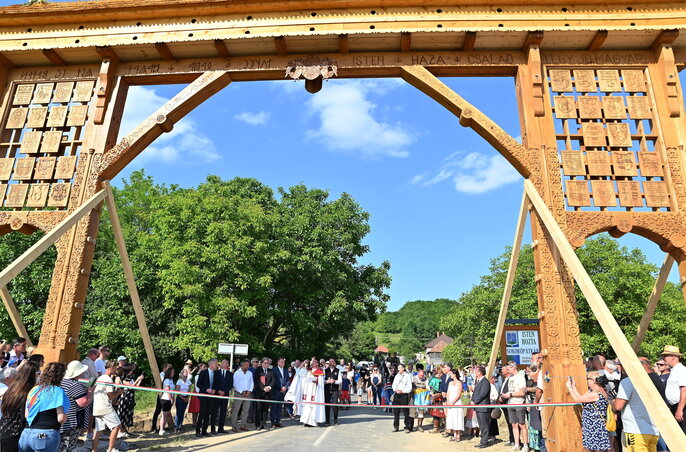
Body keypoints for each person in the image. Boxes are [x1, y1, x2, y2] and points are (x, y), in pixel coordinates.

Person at [20, 362, 70, 452]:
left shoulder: (34, 390)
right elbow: (61, 418)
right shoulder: (58, 391)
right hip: (43, 435)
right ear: (61, 376)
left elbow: (27, 415)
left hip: (27, 434)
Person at [566, 371, 611, 452]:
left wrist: (569, 388)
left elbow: (577, 399)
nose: (587, 381)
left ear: (594, 381)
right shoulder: (594, 392)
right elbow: (581, 398)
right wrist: (573, 387)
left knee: (594, 449)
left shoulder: (595, 394)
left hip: (595, 427)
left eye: (588, 379)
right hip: (591, 426)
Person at [613, 373, 660, 452]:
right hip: (653, 430)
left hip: (635, 430)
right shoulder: (649, 380)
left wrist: (613, 403)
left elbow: (618, 406)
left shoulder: (627, 381)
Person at [0, 362, 38, 452]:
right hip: (15, 434)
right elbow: (24, 417)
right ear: (32, 376)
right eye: (37, 373)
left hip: (4, 430)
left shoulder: (11, 389)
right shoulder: (25, 393)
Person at [92, 361, 125, 452]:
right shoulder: (108, 379)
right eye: (115, 368)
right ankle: (110, 449)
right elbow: (110, 395)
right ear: (111, 368)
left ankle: (94, 450)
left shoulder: (99, 378)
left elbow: (106, 395)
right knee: (117, 426)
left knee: (98, 430)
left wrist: (114, 401)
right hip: (105, 407)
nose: (116, 370)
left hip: (97, 407)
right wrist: (119, 392)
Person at [59, 360, 90, 452]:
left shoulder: (62, 382)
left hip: (61, 417)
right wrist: (90, 392)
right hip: (71, 420)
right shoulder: (74, 385)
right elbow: (83, 403)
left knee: (60, 444)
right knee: (67, 446)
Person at [501, 362, 528, 452]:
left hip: (519, 403)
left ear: (514, 368)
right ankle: (517, 444)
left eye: (509, 369)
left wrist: (511, 394)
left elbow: (522, 392)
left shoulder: (520, 377)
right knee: (514, 425)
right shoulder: (511, 378)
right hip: (511, 403)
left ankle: (525, 445)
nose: (508, 370)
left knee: (522, 424)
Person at [661, 345, 686, 433]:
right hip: (675, 406)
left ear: (673, 357)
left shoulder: (681, 370)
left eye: (666, 356)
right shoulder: (674, 370)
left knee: (682, 435)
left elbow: (684, 391)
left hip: (681, 407)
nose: (664, 358)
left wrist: (679, 409)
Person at [196, 359, 220, 437]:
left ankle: (204, 431)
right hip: (203, 395)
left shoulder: (216, 374)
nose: (217, 365)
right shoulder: (203, 373)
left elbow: (217, 384)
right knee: (202, 413)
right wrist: (206, 389)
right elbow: (198, 384)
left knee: (208, 414)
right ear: (211, 364)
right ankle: (197, 431)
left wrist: (214, 390)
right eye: (216, 364)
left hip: (211, 396)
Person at [116, 364, 141, 437]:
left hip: (130, 398)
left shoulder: (130, 378)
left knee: (128, 414)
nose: (132, 371)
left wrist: (140, 380)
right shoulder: (123, 379)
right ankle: (121, 431)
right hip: (124, 399)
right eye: (131, 370)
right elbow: (130, 386)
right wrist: (138, 379)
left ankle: (124, 430)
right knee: (123, 414)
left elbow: (135, 387)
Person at [471, 365, 491, 449]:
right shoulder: (479, 381)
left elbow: (483, 394)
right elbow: (476, 393)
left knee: (484, 425)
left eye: (476, 371)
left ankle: (485, 442)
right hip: (479, 407)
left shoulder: (485, 382)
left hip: (483, 407)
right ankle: (482, 441)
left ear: (480, 372)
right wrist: (472, 400)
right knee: (481, 425)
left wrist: (475, 401)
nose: (475, 372)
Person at [300, 359, 325, 427]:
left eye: (314, 362)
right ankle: (306, 421)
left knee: (313, 406)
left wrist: (317, 382)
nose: (313, 363)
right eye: (312, 362)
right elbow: (302, 376)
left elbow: (321, 382)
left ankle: (312, 422)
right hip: (308, 390)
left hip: (315, 391)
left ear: (317, 363)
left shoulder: (320, 372)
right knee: (307, 406)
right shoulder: (308, 370)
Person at [231, 359, 253, 432]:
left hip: (248, 393)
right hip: (239, 393)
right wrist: (242, 392)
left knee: (246, 410)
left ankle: (243, 425)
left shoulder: (250, 373)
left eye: (248, 365)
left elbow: (252, 383)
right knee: (236, 410)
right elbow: (235, 384)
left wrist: (250, 391)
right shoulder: (237, 373)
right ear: (242, 365)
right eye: (246, 365)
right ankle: (233, 425)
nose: (248, 366)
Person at [253, 358, 274, 431]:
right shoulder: (258, 371)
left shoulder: (271, 371)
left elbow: (273, 381)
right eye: (265, 363)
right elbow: (257, 381)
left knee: (265, 409)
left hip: (268, 393)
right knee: (258, 409)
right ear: (261, 363)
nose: (266, 364)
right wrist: (263, 388)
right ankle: (258, 424)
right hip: (259, 393)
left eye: (268, 363)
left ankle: (264, 424)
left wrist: (269, 387)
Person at [392, 363, 413, 433]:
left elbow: (409, 387)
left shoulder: (407, 376)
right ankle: (396, 426)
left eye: (399, 368)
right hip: (396, 395)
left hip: (404, 395)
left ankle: (407, 427)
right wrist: (396, 390)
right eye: (398, 368)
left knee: (405, 412)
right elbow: (393, 385)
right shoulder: (397, 376)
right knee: (396, 412)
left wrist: (402, 391)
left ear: (403, 368)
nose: (398, 369)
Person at [445, 367, 464, 442]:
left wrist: (453, 402)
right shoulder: (450, 383)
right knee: (452, 418)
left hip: (457, 403)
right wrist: (448, 401)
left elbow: (459, 393)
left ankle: (458, 435)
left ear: (455, 374)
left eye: (451, 374)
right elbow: (448, 392)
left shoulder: (459, 383)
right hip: (450, 403)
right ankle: (454, 435)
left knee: (457, 418)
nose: (450, 376)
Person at [271, 357, 289, 428]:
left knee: (279, 407)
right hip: (276, 391)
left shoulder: (285, 370)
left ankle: (278, 422)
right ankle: (273, 423)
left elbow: (288, 380)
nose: (282, 363)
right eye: (281, 362)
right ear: (278, 362)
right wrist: (280, 387)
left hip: (283, 392)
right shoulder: (274, 370)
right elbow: (274, 380)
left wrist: (285, 387)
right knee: (274, 407)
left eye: (283, 362)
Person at [216, 360, 233, 434]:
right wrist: (218, 391)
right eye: (223, 363)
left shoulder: (230, 374)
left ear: (228, 365)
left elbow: (231, 385)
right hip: (217, 394)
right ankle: (213, 428)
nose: (224, 364)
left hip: (225, 395)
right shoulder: (216, 373)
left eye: (226, 363)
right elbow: (214, 383)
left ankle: (221, 428)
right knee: (214, 411)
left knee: (223, 412)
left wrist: (224, 392)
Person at [412, 364, 430, 431]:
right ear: (418, 374)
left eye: (423, 375)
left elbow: (428, 388)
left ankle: (420, 425)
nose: (422, 376)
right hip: (414, 398)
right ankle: (410, 426)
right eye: (420, 375)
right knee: (412, 413)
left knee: (421, 413)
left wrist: (424, 390)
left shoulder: (425, 379)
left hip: (422, 399)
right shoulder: (413, 378)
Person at [324, 358, 342, 426]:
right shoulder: (325, 370)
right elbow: (321, 380)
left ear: (334, 363)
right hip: (327, 390)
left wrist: (335, 381)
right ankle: (327, 420)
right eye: (330, 362)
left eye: (332, 362)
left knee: (335, 405)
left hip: (335, 390)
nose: (331, 363)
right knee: (327, 405)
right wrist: (326, 381)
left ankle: (335, 420)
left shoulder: (338, 371)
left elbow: (340, 381)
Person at [188, 362, 206, 427]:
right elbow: (197, 386)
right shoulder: (197, 376)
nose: (205, 368)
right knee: (195, 409)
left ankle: (199, 422)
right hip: (197, 393)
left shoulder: (203, 375)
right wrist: (199, 394)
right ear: (200, 368)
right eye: (204, 367)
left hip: (201, 393)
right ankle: (194, 422)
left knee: (200, 409)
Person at [174, 368, 192, 433]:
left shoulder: (189, 381)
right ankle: (176, 426)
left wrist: (187, 398)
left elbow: (189, 391)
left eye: (186, 372)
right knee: (178, 412)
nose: (186, 373)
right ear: (181, 373)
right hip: (180, 398)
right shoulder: (179, 381)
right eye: (184, 372)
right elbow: (177, 391)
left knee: (182, 412)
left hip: (186, 397)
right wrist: (182, 398)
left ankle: (180, 426)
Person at [159, 367, 175, 435]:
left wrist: (173, 398)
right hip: (166, 399)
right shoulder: (167, 380)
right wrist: (171, 398)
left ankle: (162, 429)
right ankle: (161, 429)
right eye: (172, 372)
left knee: (166, 415)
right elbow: (167, 390)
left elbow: (172, 391)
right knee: (164, 415)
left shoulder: (170, 380)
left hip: (168, 399)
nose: (173, 373)